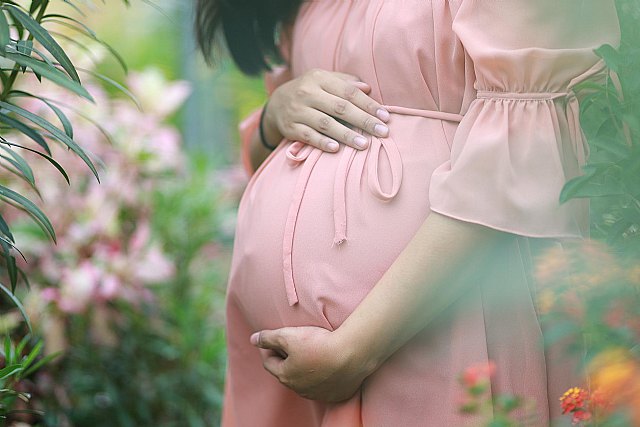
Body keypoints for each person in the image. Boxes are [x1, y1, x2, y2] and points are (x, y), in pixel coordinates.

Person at [195, 1, 620, 425]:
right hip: (293, 383)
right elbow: (268, 157)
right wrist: (275, 113)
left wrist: (354, 351)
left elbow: (530, 158)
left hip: (445, 322)